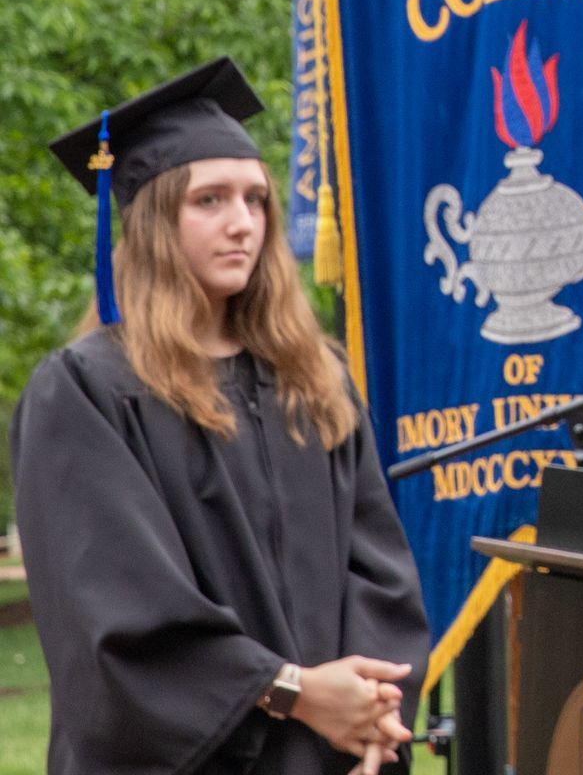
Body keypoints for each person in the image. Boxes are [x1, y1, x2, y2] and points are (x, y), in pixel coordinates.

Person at [12, 58, 431, 775]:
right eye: (209, 200)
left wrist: (368, 707)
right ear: (152, 220)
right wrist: (295, 693)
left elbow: (381, 578)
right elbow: (116, 614)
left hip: (323, 759)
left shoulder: (313, 381)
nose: (243, 224)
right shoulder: (87, 392)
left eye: (256, 199)